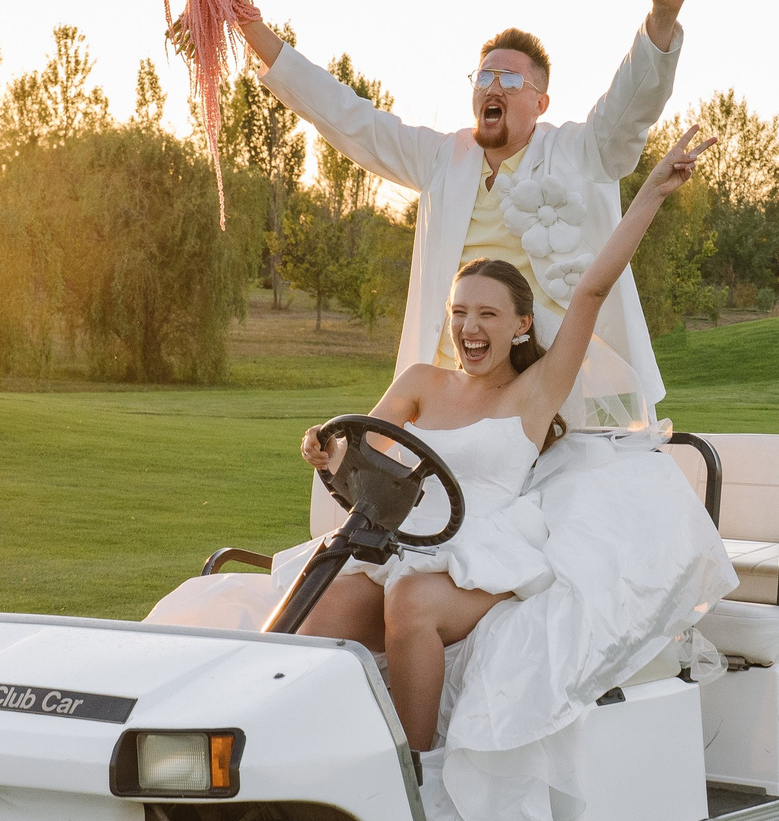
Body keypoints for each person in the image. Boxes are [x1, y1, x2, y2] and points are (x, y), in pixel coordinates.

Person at [294, 126, 716, 752]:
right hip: (399, 545)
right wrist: (326, 451)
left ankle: (412, 769)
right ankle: (299, 759)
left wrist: (651, 191)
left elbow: (593, 288)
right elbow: (360, 457)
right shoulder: (420, 382)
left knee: (412, 600)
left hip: (480, 552)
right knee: (313, 611)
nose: (469, 327)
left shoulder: (535, 392)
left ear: (521, 326)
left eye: (487, 314)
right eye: (460, 312)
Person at [240, 0, 690, 431]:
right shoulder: (441, 157)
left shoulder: (580, 151)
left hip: (552, 397)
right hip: (451, 397)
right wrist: (251, 25)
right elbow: (348, 117)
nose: (493, 86)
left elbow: (630, 108)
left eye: (512, 80)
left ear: (540, 102)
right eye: (484, 76)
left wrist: (662, 17)